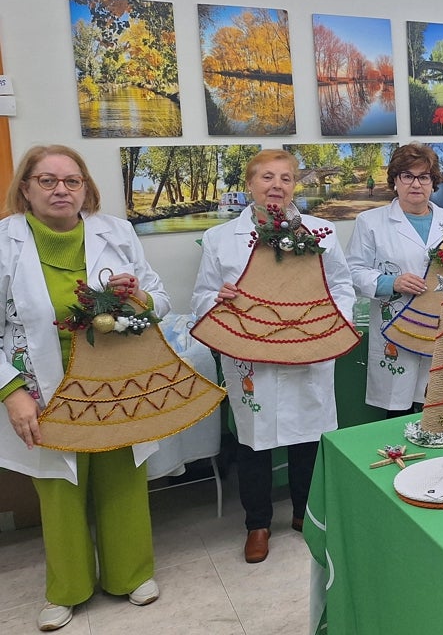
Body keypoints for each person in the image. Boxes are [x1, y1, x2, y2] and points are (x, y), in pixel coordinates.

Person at [0, 145, 165, 631]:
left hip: (112, 380)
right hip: (41, 385)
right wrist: (12, 391)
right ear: (25, 189)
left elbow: (158, 298)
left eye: (71, 181)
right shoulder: (4, 241)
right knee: (58, 487)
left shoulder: (116, 232)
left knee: (123, 476)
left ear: (86, 188)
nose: (60, 190)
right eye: (47, 180)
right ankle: (66, 589)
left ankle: (131, 574)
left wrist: (139, 296)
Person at [191, 149, 354, 564]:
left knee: (308, 438)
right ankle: (257, 524)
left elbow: (341, 287)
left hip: (310, 349)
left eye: (285, 177)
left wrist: (328, 331)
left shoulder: (321, 233)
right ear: (249, 184)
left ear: (295, 185)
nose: (276, 185)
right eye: (266, 177)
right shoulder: (220, 238)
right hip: (251, 358)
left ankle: (304, 512)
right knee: (254, 442)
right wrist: (218, 298)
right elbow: (202, 296)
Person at [346, 143, 443, 416]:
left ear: (433, 183)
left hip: (441, 325)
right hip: (396, 324)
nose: (416, 184)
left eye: (424, 177)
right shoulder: (370, 222)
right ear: (395, 181)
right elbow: (352, 271)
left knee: (436, 403)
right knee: (398, 405)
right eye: (407, 176)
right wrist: (392, 283)